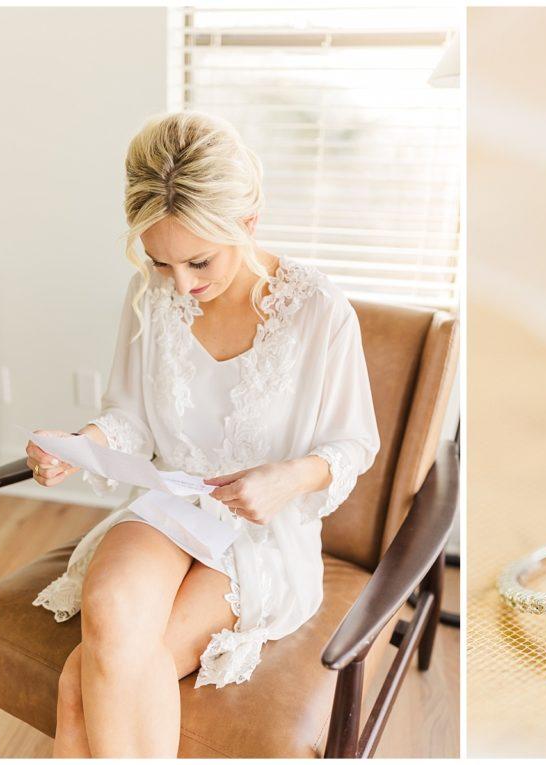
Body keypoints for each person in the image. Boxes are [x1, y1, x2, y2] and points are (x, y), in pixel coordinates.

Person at [24, 111, 380, 757]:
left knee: (90, 674)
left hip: (258, 532)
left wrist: (287, 478)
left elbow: (353, 443)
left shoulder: (319, 311)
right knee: (110, 614)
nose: (181, 284)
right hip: (169, 504)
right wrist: (80, 444)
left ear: (248, 222)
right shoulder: (152, 296)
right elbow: (129, 417)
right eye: (161, 261)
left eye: (198, 260)